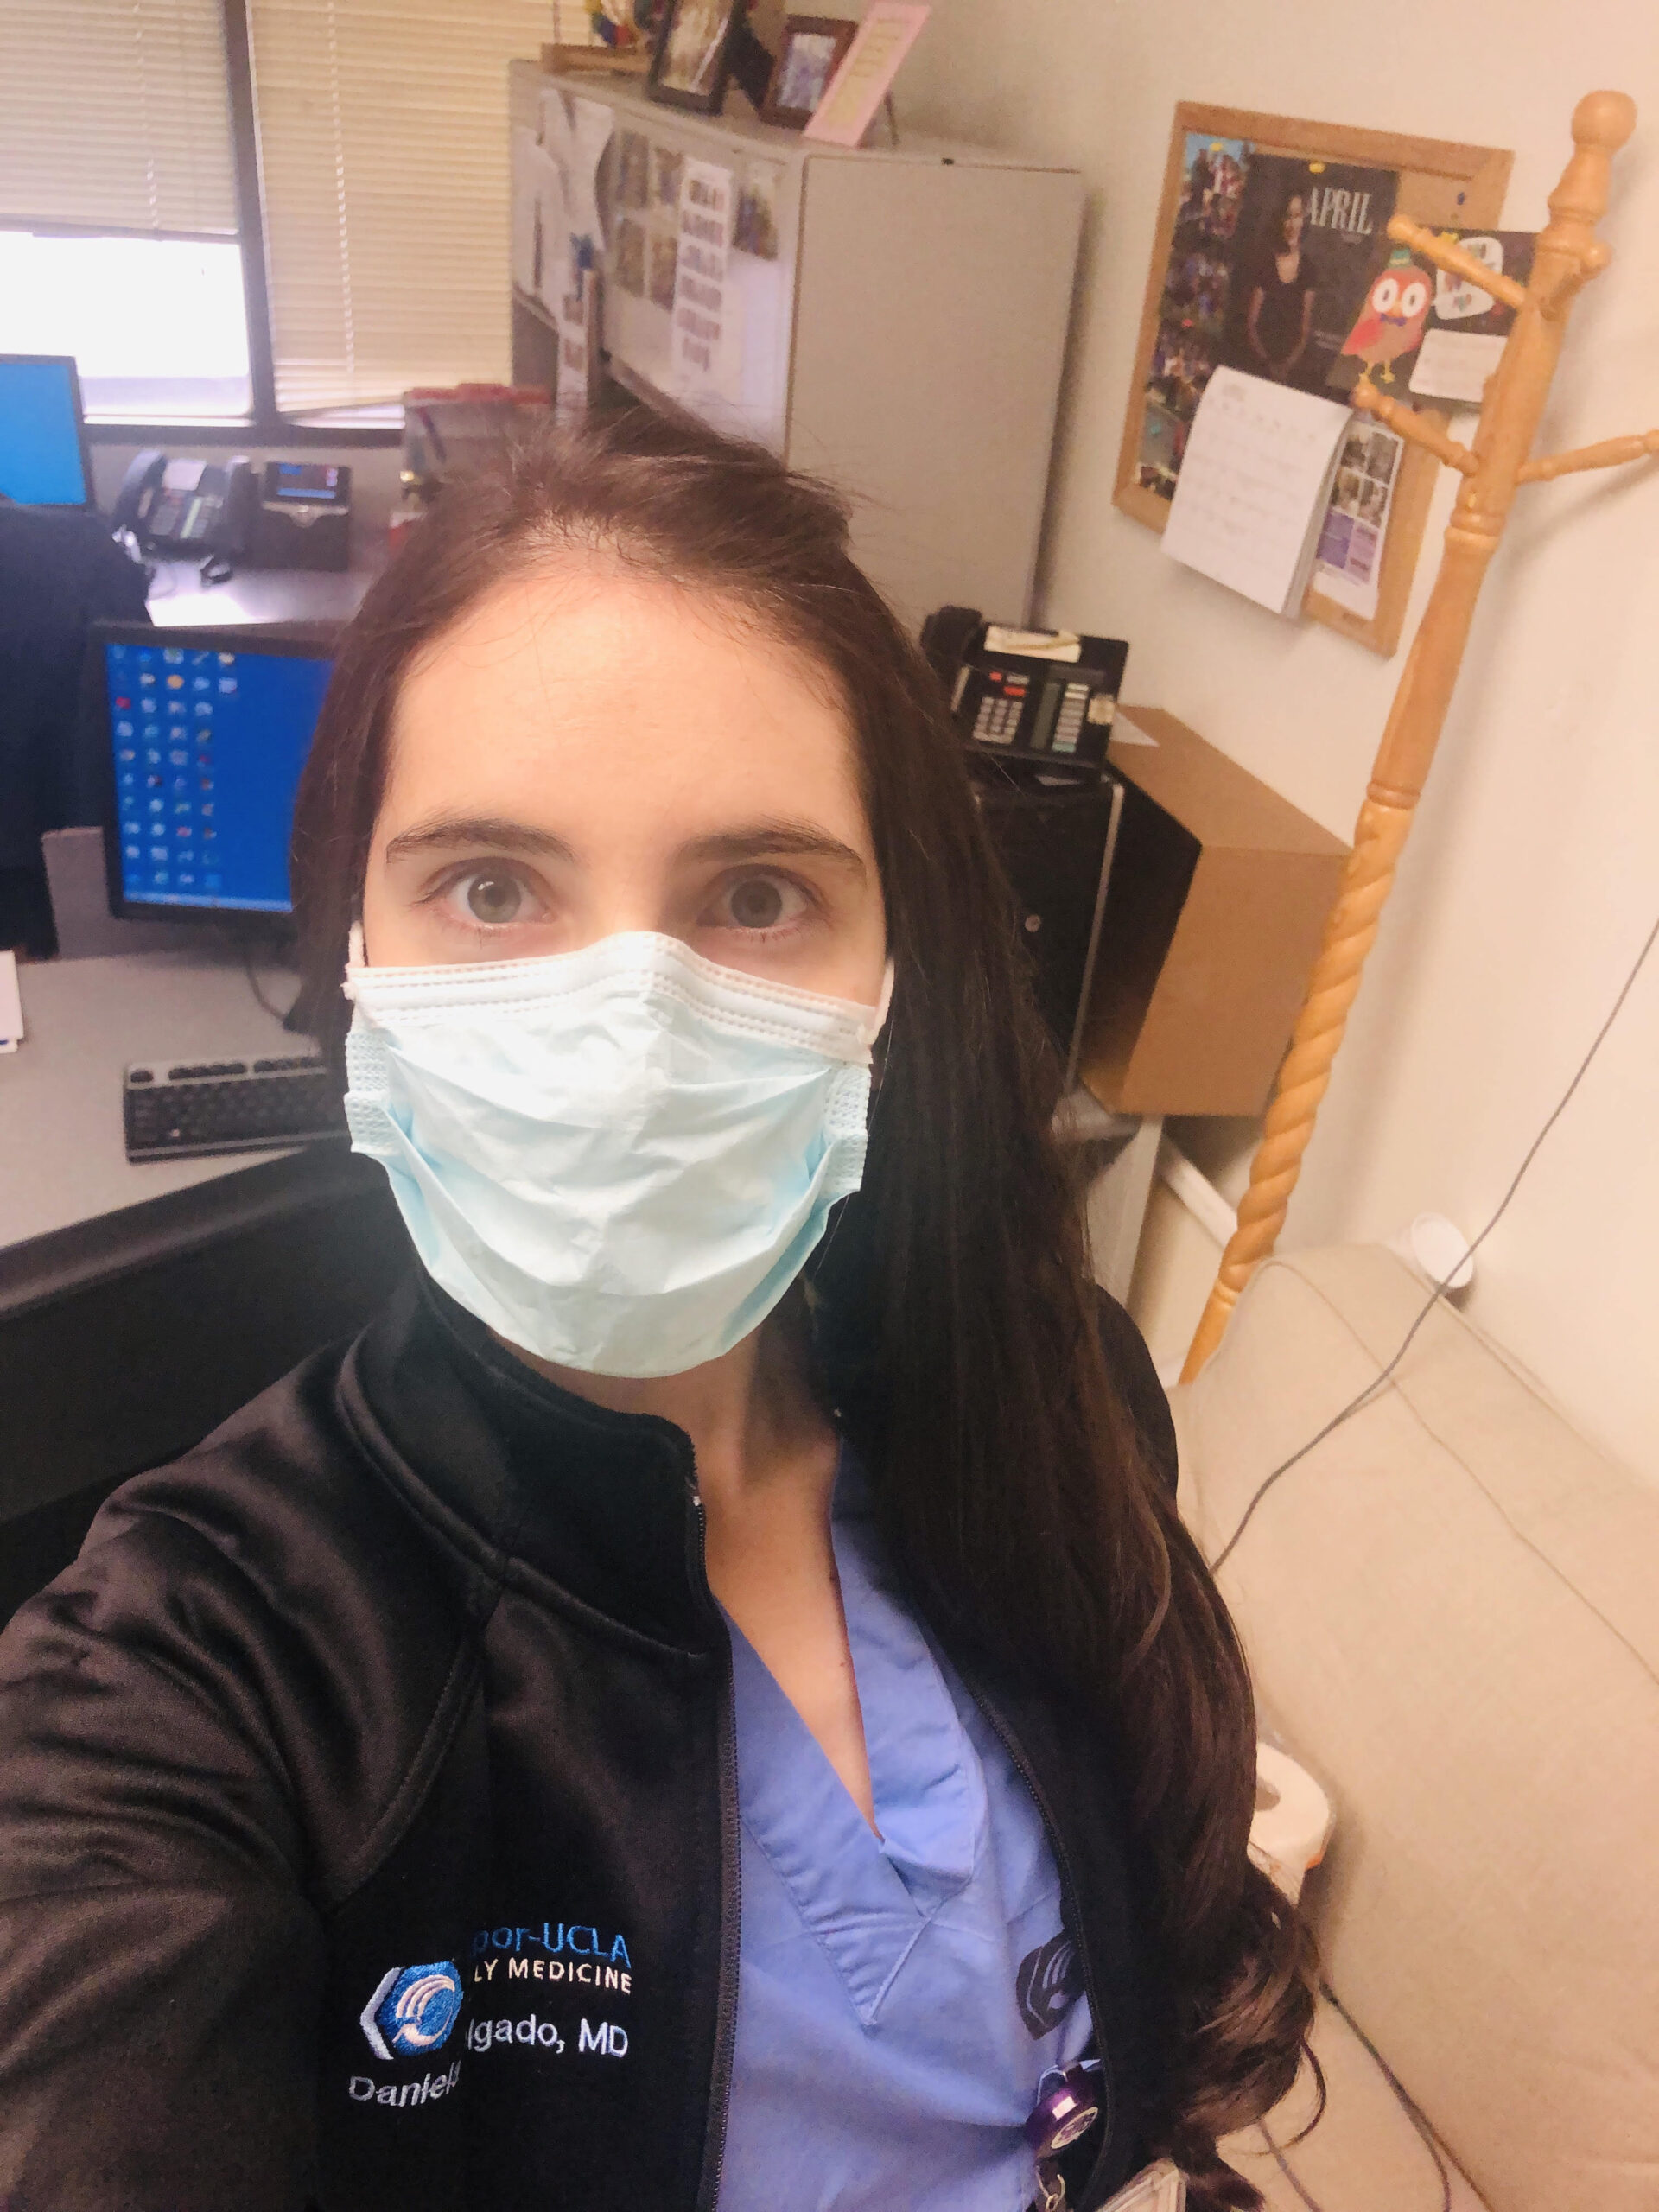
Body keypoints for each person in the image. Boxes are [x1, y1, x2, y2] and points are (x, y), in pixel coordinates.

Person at [0, 409, 1314, 2212]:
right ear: (352, 956)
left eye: (756, 896)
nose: (630, 1031)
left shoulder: (1057, 1392)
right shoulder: (207, 1668)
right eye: (491, 886)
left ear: (889, 976)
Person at [1243, 193, 1318, 385]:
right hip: (1258, 365)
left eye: (1298, 216)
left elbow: (1305, 330)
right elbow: (1251, 323)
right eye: (1288, 216)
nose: (1292, 224)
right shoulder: (1265, 262)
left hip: (1291, 369)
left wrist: (1286, 367)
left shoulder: (1308, 269)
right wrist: (1268, 364)